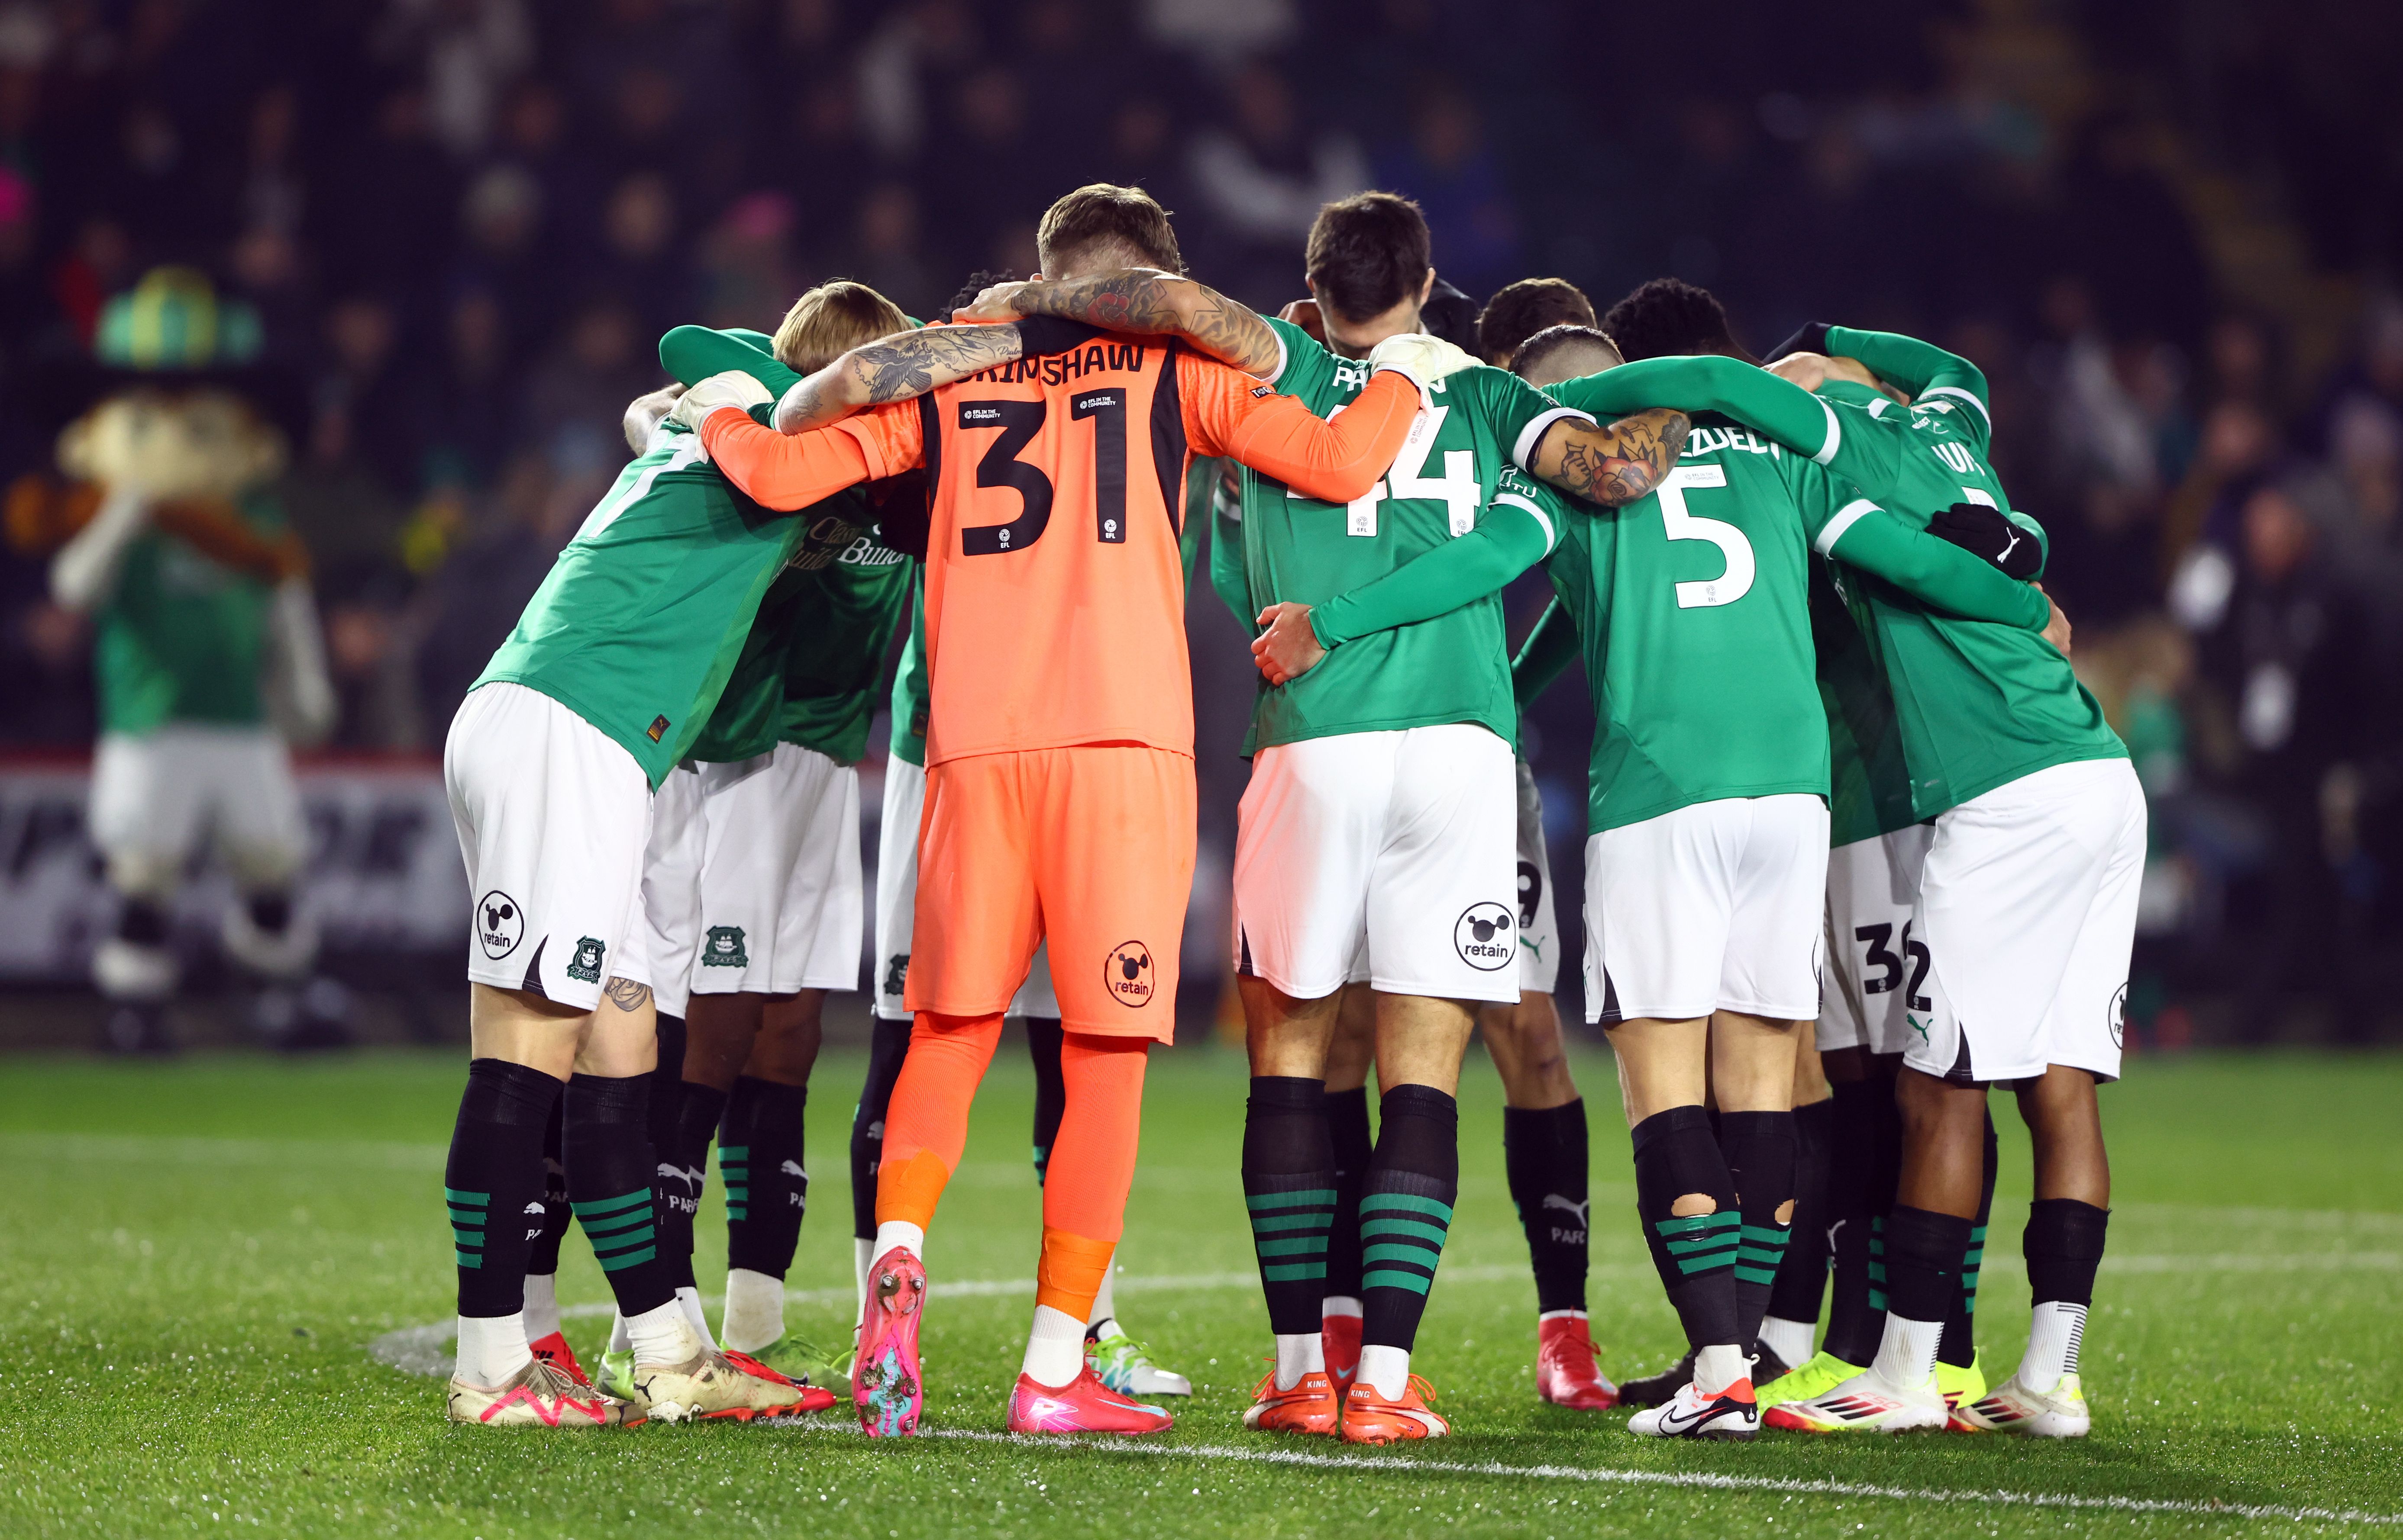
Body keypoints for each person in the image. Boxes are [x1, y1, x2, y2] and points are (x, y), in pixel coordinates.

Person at [680, 182, 1450, 1438]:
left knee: (945, 1034)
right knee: (1101, 1062)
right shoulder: (1169, 371)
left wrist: (712, 405)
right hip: (1120, 755)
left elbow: (771, 471)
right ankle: (1051, 1365)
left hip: (971, 752)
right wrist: (1409, 371)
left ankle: (901, 1248)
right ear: (1154, 274)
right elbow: (1343, 457)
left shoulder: (945, 370)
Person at [1250, 309, 2061, 1441]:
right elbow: (1907, 554)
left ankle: (1719, 1367)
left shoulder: (1580, 477)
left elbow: (1492, 559)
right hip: (1792, 794)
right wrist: (2023, 597)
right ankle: (1757, 1352)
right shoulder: (1782, 453)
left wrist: (1341, 626)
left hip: (1658, 790)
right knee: (1764, 1079)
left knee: (1662, 1084)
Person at [980, 197, 1693, 1443]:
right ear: (1424, 282)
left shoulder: (1272, 364)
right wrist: (1703, 382)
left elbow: (1204, 521)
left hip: (1309, 743)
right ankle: (1384, 1383)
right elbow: (1621, 475)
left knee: (1293, 1058)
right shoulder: (1479, 396)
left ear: (1311, 287)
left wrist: (1276, 606)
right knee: (1424, 1061)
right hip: (1457, 750)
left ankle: (1301, 1364)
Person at [434, 299, 1073, 1427]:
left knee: (622, 1042)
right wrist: (1009, 339)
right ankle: (490, 1363)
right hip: (565, 724)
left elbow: (687, 396)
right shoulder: (761, 417)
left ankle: (670, 1350)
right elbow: (753, 391)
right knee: (525, 1047)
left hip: (598, 741)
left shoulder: (736, 419)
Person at [1739, 320, 2138, 1440]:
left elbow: (1823, 483)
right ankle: (2047, 1377)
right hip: (2097, 773)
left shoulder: (1854, 496)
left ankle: (1908, 1371)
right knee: (2057, 1083)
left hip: (1999, 799)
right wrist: (1835, 338)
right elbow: (1955, 375)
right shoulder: (1961, 461)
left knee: (1934, 1083)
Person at [39, 270, 335, 1056]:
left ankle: (279, 995)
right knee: (146, 869)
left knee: (271, 862)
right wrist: (123, 514)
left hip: (241, 718)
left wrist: (303, 684)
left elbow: (285, 598)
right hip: (150, 720)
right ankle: (136, 1006)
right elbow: (73, 584)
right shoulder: (131, 524)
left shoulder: (252, 523)